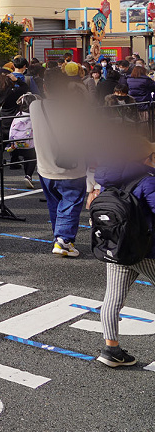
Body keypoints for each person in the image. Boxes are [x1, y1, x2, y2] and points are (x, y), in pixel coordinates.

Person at [90, 138, 155, 368]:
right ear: (146, 158)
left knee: (113, 298)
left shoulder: (109, 183)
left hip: (116, 247)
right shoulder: (147, 181)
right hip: (145, 251)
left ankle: (111, 349)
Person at [31, 75, 90, 257]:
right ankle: (63, 240)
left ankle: (59, 237)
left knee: (55, 203)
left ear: (45, 87)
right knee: (71, 201)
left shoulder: (35, 107)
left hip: (45, 164)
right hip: (72, 165)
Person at [7, 93, 38, 188]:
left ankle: (28, 176)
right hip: (30, 143)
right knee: (32, 158)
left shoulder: (19, 114)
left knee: (25, 158)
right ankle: (28, 176)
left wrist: (11, 142)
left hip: (18, 143)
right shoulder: (34, 115)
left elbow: (12, 129)